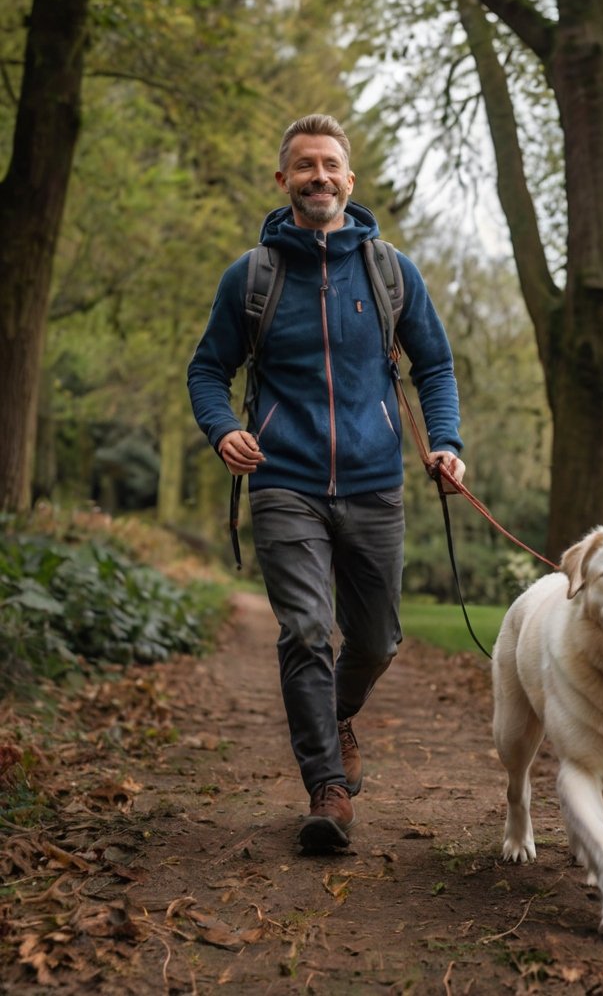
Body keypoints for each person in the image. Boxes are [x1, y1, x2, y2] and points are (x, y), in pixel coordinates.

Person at [187, 113, 465, 852]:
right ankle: (327, 788)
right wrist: (224, 430)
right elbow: (208, 370)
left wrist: (444, 443)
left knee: (376, 639)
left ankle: (335, 714)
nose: (318, 177)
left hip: (376, 483)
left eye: (330, 165)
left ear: (349, 179)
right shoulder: (252, 276)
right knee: (307, 630)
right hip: (284, 480)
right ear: (283, 181)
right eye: (304, 165)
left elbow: (433, 365)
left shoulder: (390, 271)